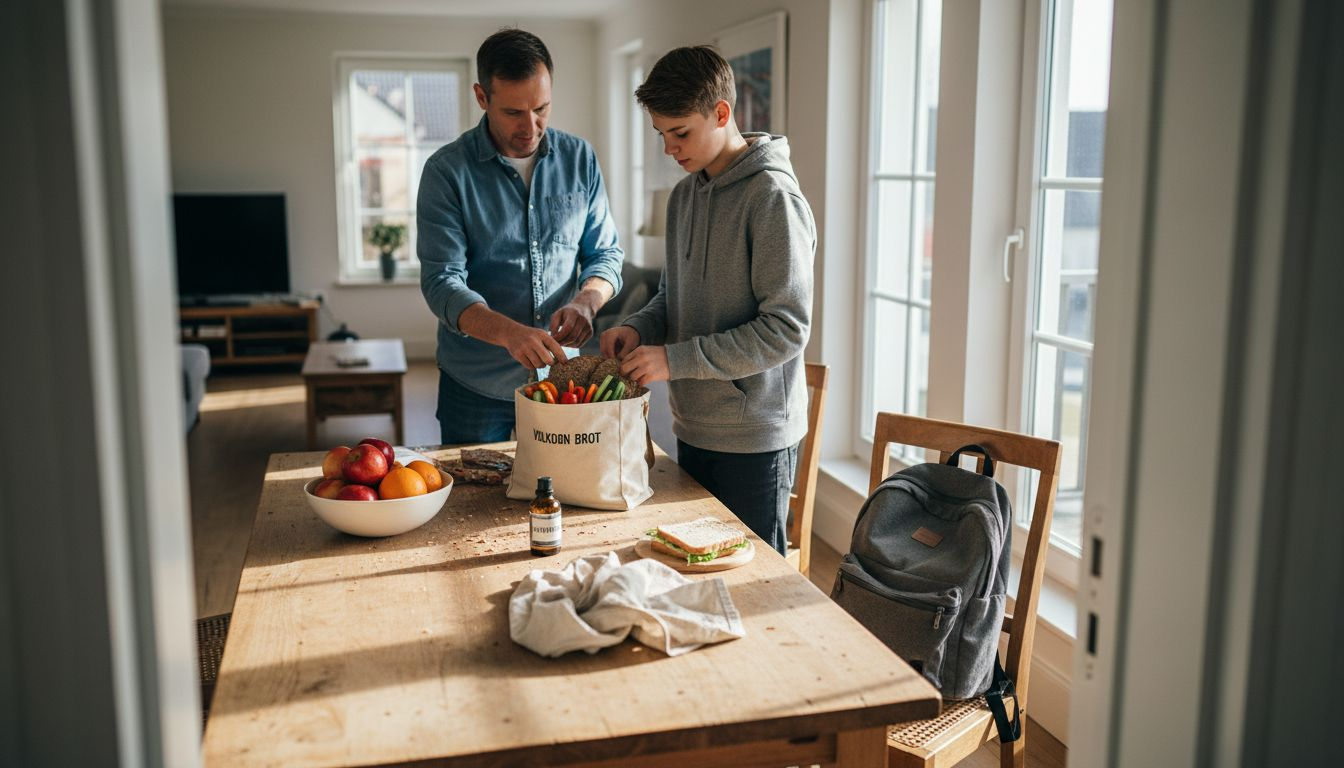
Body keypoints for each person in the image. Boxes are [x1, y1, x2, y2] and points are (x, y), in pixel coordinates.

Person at [600, 46, 815, 555]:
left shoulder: (772, 197)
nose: (669, 150)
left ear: (722, 114)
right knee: (692, 567)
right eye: (661, 134)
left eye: (681, 133)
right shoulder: (682, 198)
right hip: (693, 422)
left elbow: (786, 328)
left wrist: (674, 359)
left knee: (754, 583)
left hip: (754, 438)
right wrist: (640, 327)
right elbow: (673, 295)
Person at [419, 28, 623, 444]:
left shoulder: (579, 158)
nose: (531, 126)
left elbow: (606, 253)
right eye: (514, 112)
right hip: (476, 383)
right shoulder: (446, 172)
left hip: (563, 378)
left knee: (567, 496)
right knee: (473, 506)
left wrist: (588, 300)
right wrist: (508, 333)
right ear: (482, 97)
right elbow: (441, 282)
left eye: (541, 108)